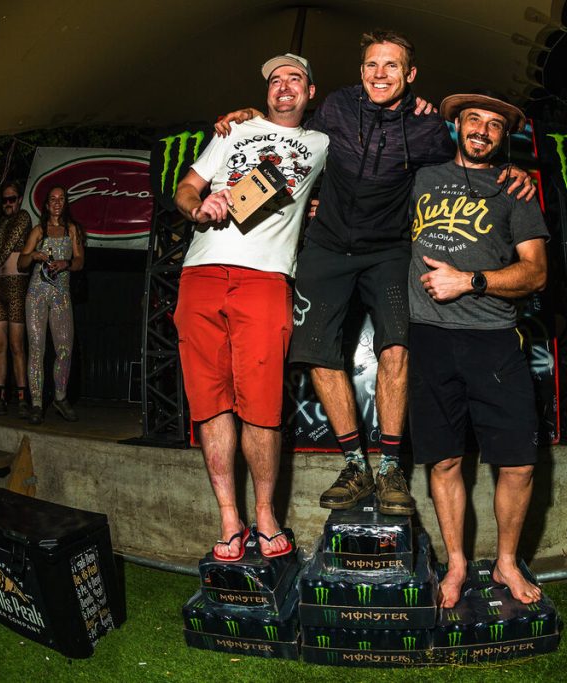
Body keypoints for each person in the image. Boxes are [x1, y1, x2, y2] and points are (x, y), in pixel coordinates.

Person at [216, 30, 535, 516]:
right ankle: (354, 465)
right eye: (371, 65)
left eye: (391, 66)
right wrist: (251, 117)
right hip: (327, 246)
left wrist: (512, 170)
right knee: (317, 351)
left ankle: (389, 468)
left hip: (389, 250)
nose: (380, 74)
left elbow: (464, 167)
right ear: (361, 70)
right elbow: (292, 133)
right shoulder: (337, 107)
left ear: (410, 74)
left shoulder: (428, 127)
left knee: (397, 347)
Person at [174, 53, 328, 562]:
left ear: (310, 91)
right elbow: (186, 188)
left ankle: (265, 514)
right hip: (200, 274)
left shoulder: (322, 142)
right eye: (275, 80)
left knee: (261, 406)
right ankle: (229, 518)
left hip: (265, 278)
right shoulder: (233, 130)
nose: (284, 87)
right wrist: (198, 207)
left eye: (294, 79)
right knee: (209, 403)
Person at [408, 93, 549, 608]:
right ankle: (457, 564)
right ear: (457, 125)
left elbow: (536, 272)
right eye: (474, 120)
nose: (483, 131)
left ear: (504, 136)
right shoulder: (421, 179)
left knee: (519, 464)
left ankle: (506, 562)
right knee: (444, 460)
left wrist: (469, 281)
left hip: (493, 339)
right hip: (429, 337)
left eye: (494, 125)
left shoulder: (516, 190)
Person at [18, 186, 84, 424]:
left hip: (61, 295)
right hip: (36, 294)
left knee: (64, 348)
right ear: (46, 205)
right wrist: (34, 255)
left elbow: (80, 261)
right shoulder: (39, 231)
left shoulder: (72, 230)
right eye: (52, 199)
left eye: (61, 198)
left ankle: (60, 397)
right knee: (36, 348)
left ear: (65, 203)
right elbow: (21, 263)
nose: (57, 202)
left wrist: (66, 263)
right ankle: (36, 404)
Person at [0, 181, 33, 418]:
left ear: (19, 199)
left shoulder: (23, 217)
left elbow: (8, 248)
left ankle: (22, 400)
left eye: (12, 199)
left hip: (16, 285)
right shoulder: (1, 223)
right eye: (5, 200)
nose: (8, 203)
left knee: (16, 345)